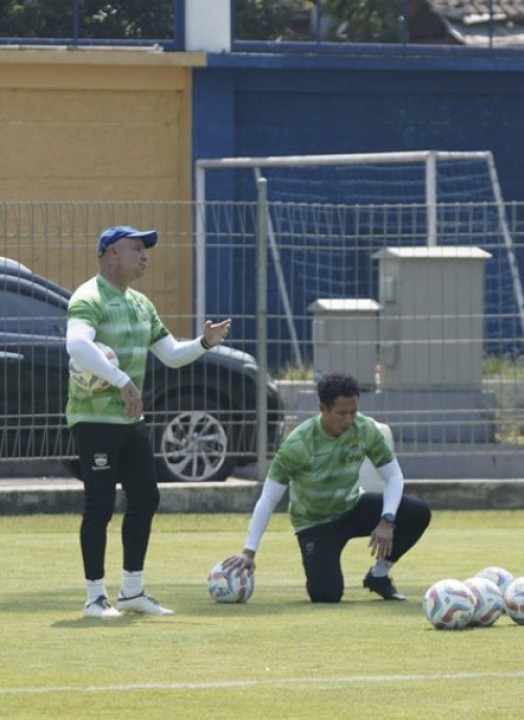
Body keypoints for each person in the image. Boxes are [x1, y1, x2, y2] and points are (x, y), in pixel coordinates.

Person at [68, 225, 234, 619]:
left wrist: (204, 343)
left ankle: (132, 591)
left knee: (146, 498)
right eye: (137, 248)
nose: (145, 256)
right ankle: (95, 597)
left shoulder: (141, 304)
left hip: (130, 421)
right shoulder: (88, 297)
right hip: (93, 420)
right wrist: (123, 380)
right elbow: (76, 345)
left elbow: (172, 354)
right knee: (100, 505)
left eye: (146, 250)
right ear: (110, 253)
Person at [220, 373, 432, 603]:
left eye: (353, 412)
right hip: (315, 523)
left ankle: (378, 575)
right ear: (323, 408)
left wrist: (387, 519)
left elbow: (394, 476)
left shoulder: (365, 428)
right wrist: (248, 552)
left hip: (352, 507)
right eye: (341, 413)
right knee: (326, 594)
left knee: (417, 512)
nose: (349, 420)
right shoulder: (298, 443)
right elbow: (269, 499)